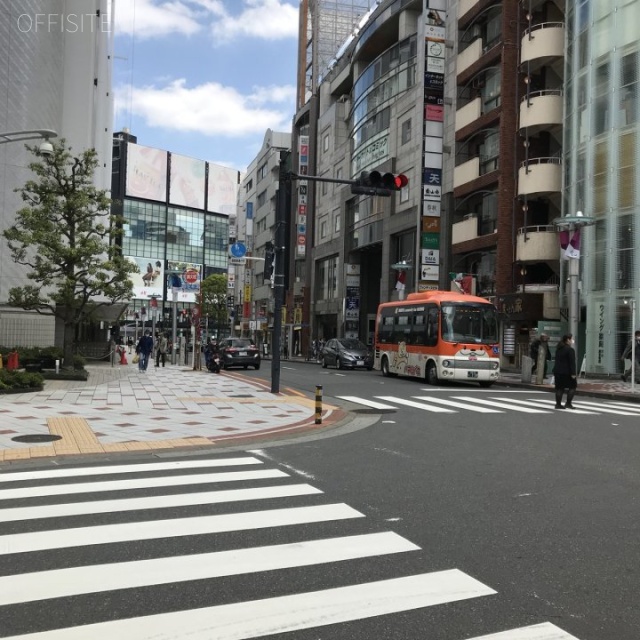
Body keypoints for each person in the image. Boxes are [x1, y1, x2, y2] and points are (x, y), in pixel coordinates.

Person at [552, 334, 577, 409]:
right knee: (573, 387)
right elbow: (572, 362)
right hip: (567, 372)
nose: (572, 341)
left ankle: (558, 404)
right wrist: (573, 373)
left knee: (559, 388)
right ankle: (568, 403)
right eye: (571, 339)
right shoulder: (570, 350)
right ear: (568, 340)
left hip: (558, 371)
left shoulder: (559, 348)